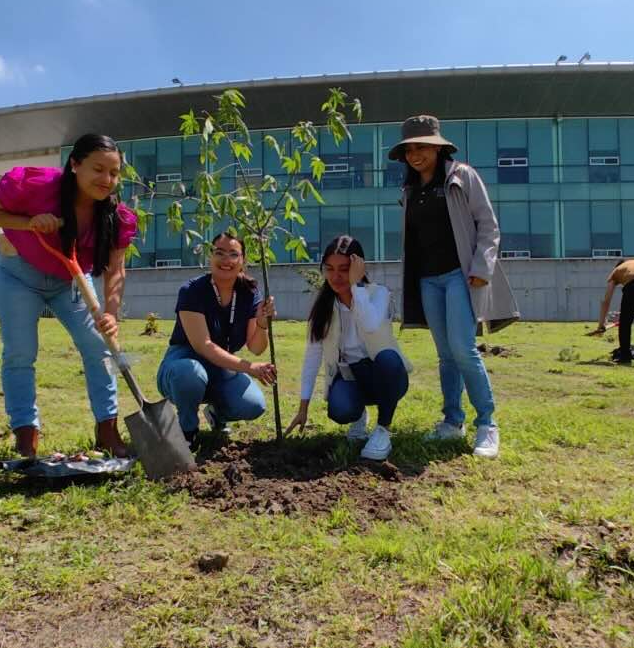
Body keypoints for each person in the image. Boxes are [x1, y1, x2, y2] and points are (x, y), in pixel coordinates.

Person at [0, 133, 140, 458]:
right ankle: (25, 436)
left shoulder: (117, 217)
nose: (107, 180)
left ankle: (107, 431)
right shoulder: (35, 185)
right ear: (75, 165)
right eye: (98, 169)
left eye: (114, 173)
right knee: (20, 352)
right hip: (19, 275)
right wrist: (29, 222)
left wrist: (111, 314)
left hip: (71, 280)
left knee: (98, 348)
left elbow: (116, 270)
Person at [393, 115, 517, 459]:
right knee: (445, 355)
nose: (415, 154)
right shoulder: (409, 190)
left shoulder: (462, 176)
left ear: (438, 147)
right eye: (409, 149)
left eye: (422, 147)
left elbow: (488, 226)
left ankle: (487, 424)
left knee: (464, 349)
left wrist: (482, 267)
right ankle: (452, 422)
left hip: (459, 276)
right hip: (427, 280)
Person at [286, 235, 412, 461]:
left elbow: (371, 325)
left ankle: (382, 430)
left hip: (385, 376)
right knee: (340, 409)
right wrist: (303, 408)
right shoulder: (323, 308)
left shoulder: (378, 294)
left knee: (388, 359)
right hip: (351, 377)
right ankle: (358, 416)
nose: (336, 277)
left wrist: (355, 287)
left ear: (358, 267)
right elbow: (312, 357)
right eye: (329, 269)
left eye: (344, 269)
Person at [155, 232, 276, 446]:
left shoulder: (249, 293)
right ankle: (188, 430)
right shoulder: (192, 291)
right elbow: (204, 346)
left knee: (254, 405)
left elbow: (256, 348)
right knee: (190, 374)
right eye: (219, 253)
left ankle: (216, 414)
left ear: (243, 261)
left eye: (233, 254)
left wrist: (262, 323)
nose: (226, 260)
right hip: (184, 363)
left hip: (222, 368)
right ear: (210, 257)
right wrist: (249, 368)